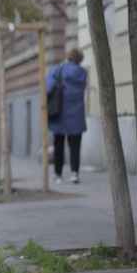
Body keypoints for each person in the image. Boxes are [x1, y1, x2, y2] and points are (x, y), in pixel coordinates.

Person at [46, 47, 88, 184]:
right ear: (80, 59)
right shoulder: (83, 73)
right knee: (75, 145)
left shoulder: (59, 69)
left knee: (58, 145)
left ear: (68, 57)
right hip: (77, 114)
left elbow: (48, 88)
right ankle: (75, 173)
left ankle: (58, 175)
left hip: (60, 113)